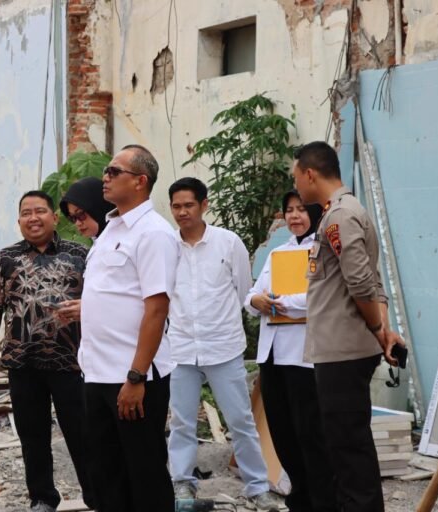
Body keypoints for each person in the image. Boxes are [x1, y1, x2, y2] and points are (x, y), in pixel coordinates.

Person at [292, 141, 406, 512]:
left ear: (310, 174)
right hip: (341, 347)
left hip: (343, 350)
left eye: (296, 177)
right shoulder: (341, 211)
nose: (296, 186)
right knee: (345, 446)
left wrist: (378, 330)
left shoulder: (340, 215)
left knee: (348, 449)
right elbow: (372, 280)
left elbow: (360, 283)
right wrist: (383, 330)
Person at [165, 177, 280, 510]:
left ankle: (257, 487)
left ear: (204, 205)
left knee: (241, 421)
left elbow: (244, 290)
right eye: (176, 206)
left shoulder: (228, 243)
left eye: (189, 205)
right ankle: (183, 484)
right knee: (182, 422)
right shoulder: (166, 245)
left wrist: (256, 301)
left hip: (223, 346)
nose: (182, 212)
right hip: (181, 348)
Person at [0, 190, 93, 512]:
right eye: (26, 212)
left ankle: (97, 495)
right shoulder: (6, 258)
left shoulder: (80, 254)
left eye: (40, 211)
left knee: (82, 433)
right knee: (33, 436)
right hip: (22, 363)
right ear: (19, 221)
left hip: (72, 362)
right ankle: (42, 497)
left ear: (54, 217)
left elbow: (100, 304)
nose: (33, 218)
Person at [78, 145, 178, 512]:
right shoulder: (110, 229)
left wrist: (136, 377)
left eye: (113, 171)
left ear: (140, 181)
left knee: (144, 473)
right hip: (97, 372)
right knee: (106, 473)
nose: (104, 177)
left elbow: (156, 309)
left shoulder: (153, 233)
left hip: (133, 376)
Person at [244, 190, 337, 511]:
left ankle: (324, 502)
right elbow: (253, 295)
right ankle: (299, 499)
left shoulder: (322, 251)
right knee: (282, 433)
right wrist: (258, 301)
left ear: (314, 213)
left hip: (303, 357)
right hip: (272, 356)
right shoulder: (277, 252)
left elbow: (319, 299)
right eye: (289, 210)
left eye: (301, 210)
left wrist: (279, 303)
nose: (294, 216)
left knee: (310, 434)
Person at [55, 177, 114, 324]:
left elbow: (133, 299)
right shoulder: (96, 245)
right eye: (73, 218)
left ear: (97, 207)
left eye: (81, 215)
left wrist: (89, 308)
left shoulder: (123, 242)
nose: (78, 223)